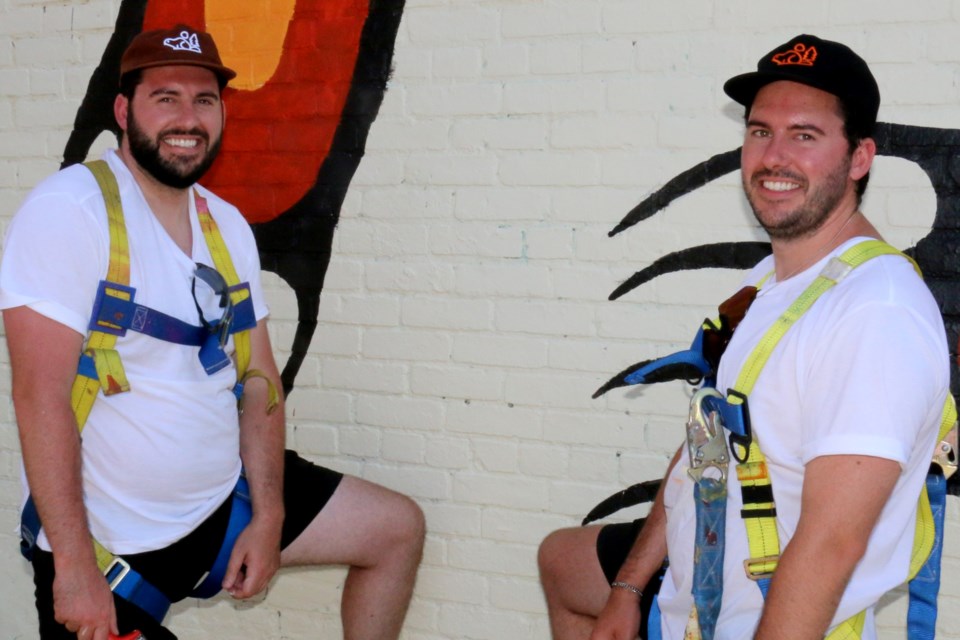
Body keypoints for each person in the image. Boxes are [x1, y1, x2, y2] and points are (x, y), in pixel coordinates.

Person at [1, 24, 424, 640]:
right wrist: (71, 567)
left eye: (204, 100)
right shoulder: (69, 211)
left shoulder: (225, 224)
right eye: (165, 97)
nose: (188, 117)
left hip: (221, 505)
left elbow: (259, 379)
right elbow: (39, 397)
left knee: (395, 529)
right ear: (123, 110)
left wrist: (270, 514)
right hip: (109, 552)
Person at [538, 34, 950, 640]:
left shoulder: (876, 313)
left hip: (767, 621)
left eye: (804, 136)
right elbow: (709, 446)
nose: (773, 157)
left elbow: (832, 544)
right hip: (699, 597)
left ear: (859, 158)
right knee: (562, 562)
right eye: (760, 131)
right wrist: (628, 588)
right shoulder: (771, 282)